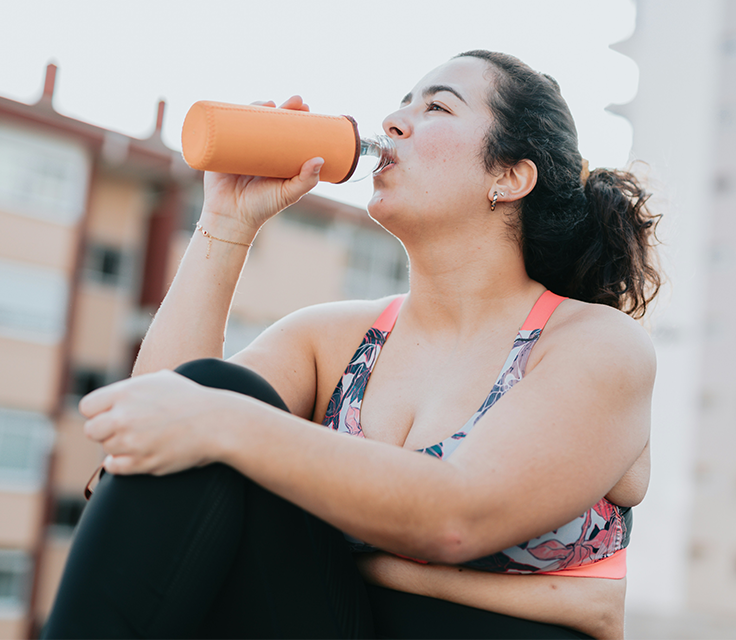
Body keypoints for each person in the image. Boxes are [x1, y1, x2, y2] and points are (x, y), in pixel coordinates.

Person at [42, 50, 660, 640]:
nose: (393, 120)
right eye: (401, 104)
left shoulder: (595, 343)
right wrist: (226, 223)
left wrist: (228, 425)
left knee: (225, 406)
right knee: (221, 392)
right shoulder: (332, 338)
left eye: (437, 108)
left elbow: (457, 517)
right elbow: (147, 443)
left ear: (509, 175)